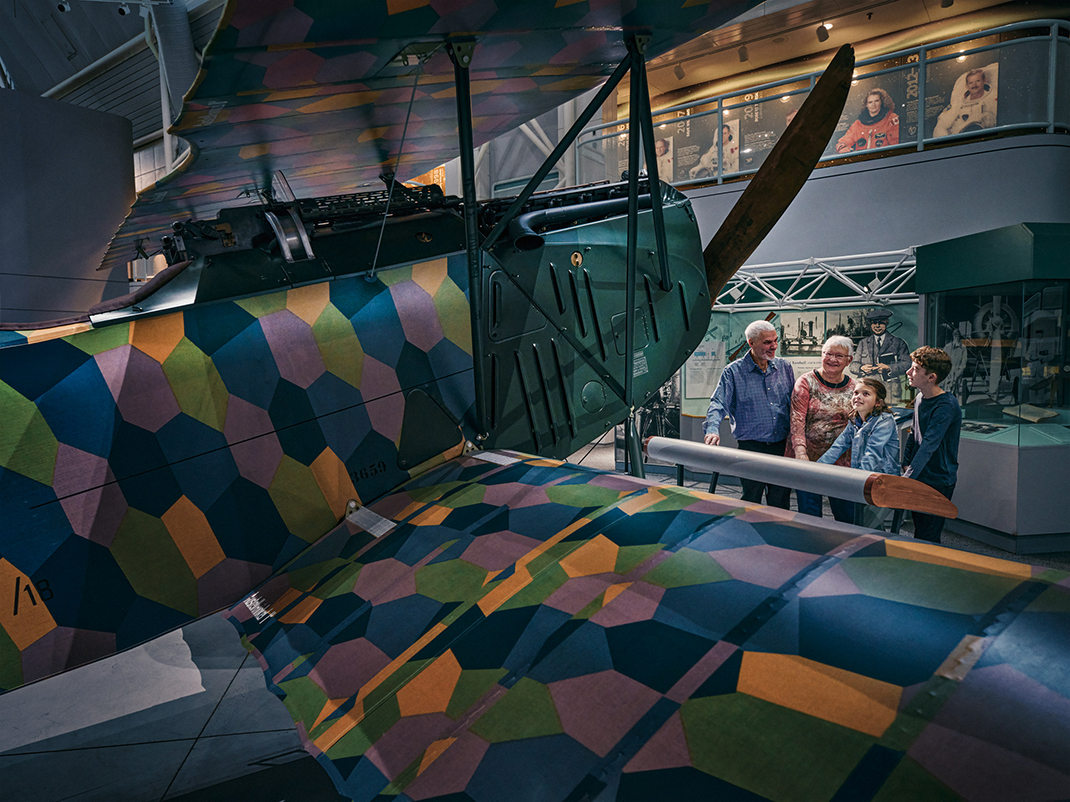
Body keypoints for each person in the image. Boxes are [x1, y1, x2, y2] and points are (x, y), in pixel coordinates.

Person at [703, 320, 794, 508]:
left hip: (782, 446)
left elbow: (795, 405)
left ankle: (778, 536)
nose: (774, 346)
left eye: (776, 340)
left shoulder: (785, 368)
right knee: (751, 501)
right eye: (767, 342)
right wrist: (712, 429)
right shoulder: (733, 372)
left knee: (780, 501)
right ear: (751, 343)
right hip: (752, 448)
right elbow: (718, 403)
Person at [787, 336, 856, 521]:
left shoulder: (854, 387)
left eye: (839, 356)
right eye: (828, 354)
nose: (832, 359)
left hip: (841, 462)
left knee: (846, 515)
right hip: (809, 459)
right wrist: (800, 453)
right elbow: (797, 418)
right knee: (810, 514)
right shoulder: (806, 382)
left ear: (849, 360)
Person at [817, 377, 901, 529]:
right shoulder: (855, 421)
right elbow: (838, 447)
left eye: (866, 394)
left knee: (868, 524)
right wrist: (816, 469)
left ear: (878, 402)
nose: (858, 397)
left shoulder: (885, 421)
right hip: (864, 479)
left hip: (882, 481)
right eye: (856, 393)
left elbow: (872, 454)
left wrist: (855, 480)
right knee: (858, 521)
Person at [903, 346, 961, 543]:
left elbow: (929, 444)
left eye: (915, 369)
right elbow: (914, 433)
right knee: (920, 529)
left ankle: (932, 572)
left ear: (931, 377)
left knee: (928, 535)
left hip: (938, 479)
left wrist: (906, 479)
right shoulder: (920, 397)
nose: (908, 372)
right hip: (921, 475)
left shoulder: (945, 405)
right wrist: (906, 464)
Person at [851, 308, 911, 404]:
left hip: (890, 391)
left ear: (886, 323)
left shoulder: (898, 343)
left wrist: (889, 368)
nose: (877, 326)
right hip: (866, 390)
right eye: (874, 323)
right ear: (871, 325)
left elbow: (907, 364)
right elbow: (853, 366)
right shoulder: (863, 343)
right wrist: (861, 368)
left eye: (881, 323)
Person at [934, 67, 997, 137]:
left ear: (984, 81)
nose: (974, 85)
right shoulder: (958, 103)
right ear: (967, 85)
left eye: (978, 81)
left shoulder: (992, 99)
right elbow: (941, 125)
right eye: (971, 83)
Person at [836, 88, 899, 153]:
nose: (873, 104)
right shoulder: (858, 124)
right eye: (870, 102)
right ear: (866, 105)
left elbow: (895, 144)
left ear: (882, 102)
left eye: (876, 101)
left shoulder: (891, 118)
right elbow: (845, 140)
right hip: (862, 161)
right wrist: (843, 147)